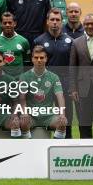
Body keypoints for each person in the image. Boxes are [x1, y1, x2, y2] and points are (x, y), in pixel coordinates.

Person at [34, 8, 75, 138]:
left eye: (58, 20)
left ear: (62, 22)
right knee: (44, 114)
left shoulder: (70, 41)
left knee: (65, 115)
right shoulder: (38, 41)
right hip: (43, 85)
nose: (55, 22)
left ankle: (66, 142)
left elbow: (73, 66)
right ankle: (43, 141)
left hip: (64, 84)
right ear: (47, 22)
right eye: (52, 19)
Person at [18, 45, 67, 139]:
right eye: (36, 58)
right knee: (23, 122)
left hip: (48, 116)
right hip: (31, 116)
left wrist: (62, 114)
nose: (39, 60)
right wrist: (24, 113)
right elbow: (22, 98)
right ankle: (26, 149)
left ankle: (53, 148)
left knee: (62, 122)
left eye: (41, 57)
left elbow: (60, 96)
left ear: (46, 59)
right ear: (32, 59)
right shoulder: (24, 77)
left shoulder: (54, 77)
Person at [0, 12, 30, 78]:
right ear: (1, 24)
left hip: (18, 79)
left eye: (10, 22)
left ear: (15, 24)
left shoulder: (23, 41)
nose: (7, 25)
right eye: (5, 23)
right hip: (1, 79)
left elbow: (27, 62)